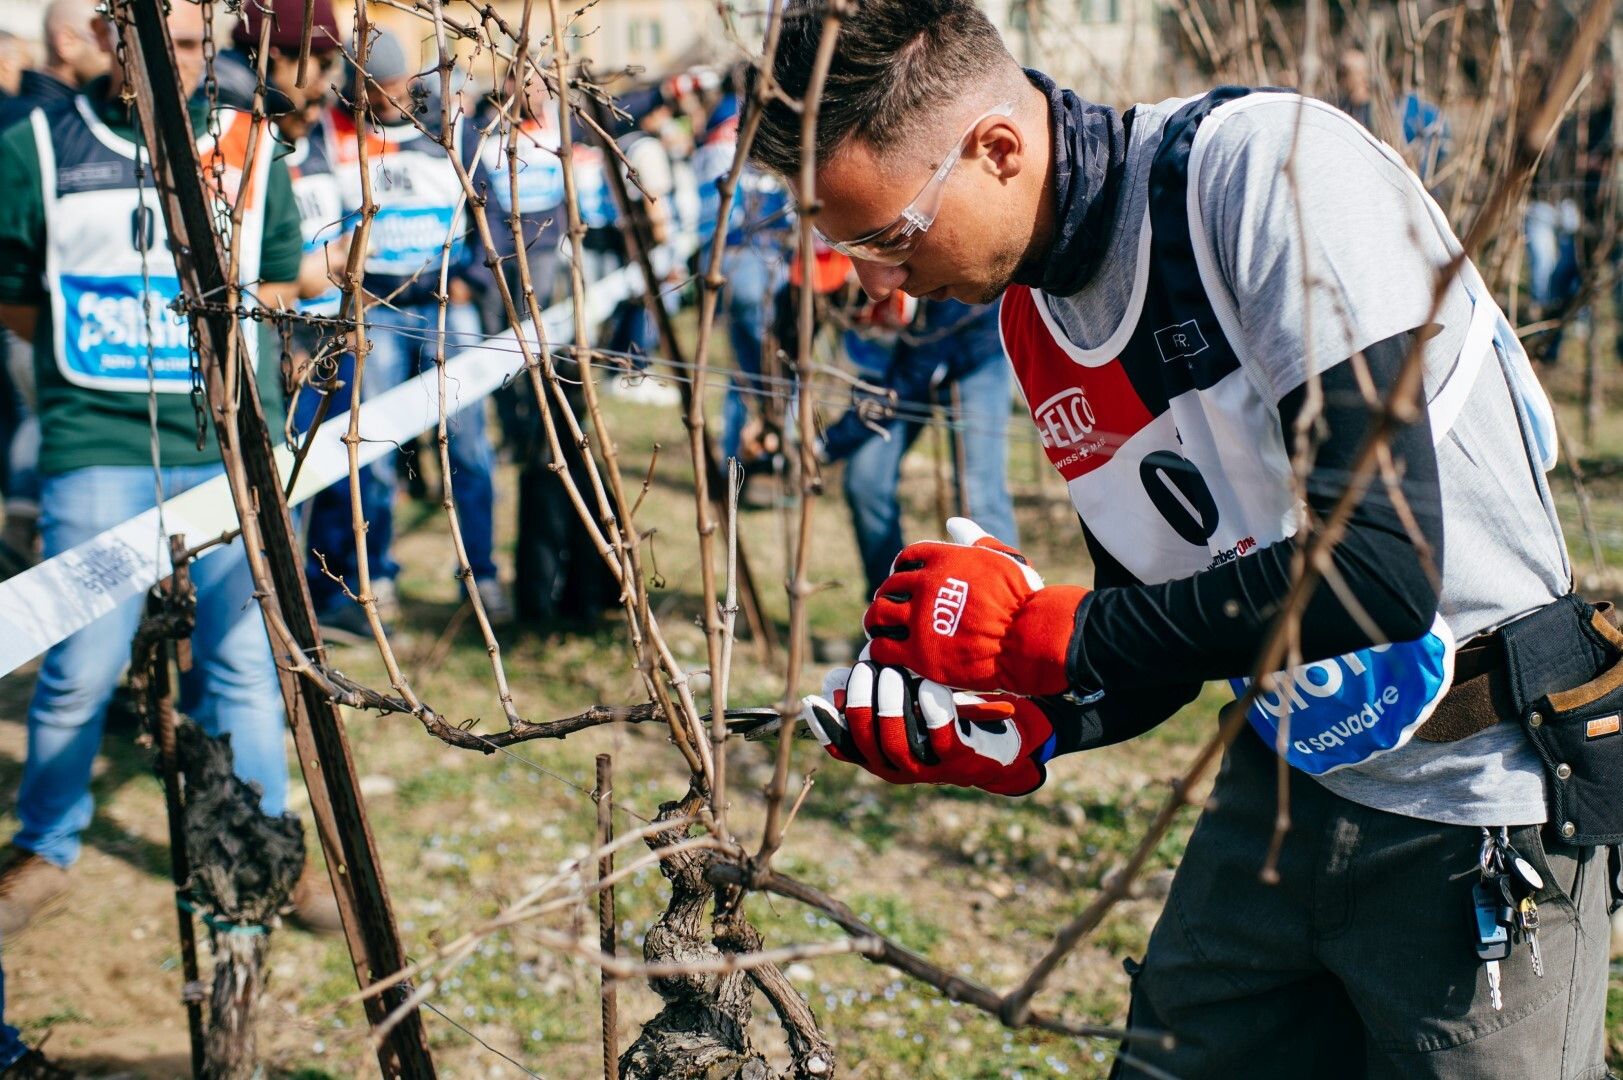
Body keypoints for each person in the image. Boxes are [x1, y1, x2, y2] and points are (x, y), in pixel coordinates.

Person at [757, 3, 1613, 1077]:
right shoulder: (1036, 318)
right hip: (1291, 777)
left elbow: (1382, 571)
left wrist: (1061, 639)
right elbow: (1168, 619)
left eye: (886, 236)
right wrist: (1025, 724)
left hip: (1478, 794)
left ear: (998, 150)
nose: (878, 281)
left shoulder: (1265, 177)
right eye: (846, 247)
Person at [0, 0, 306, 933]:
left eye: (192, 44)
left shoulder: (253, 145)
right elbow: (17, 298)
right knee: (79, 666)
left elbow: (285, 274)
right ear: (106, 35)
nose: (182, 63)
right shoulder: (35, 149)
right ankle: (46, 842)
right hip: (97, 447)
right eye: (160, 41)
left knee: (245, 664)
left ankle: (262, 850)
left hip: (227, 452)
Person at [307, 27, 514, 637]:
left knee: (469, 446)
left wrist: (478, 277)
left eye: (395, 88)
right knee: (371, 447)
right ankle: (378, 576)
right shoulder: (336, 135)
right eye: (374, 89)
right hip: (377, 310)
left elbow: (491, 212)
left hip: (450, 306)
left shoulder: (447, 131)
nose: (387, 101)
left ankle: (480, 573)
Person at [0, 0, 110, 576]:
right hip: (48, 311)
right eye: (98, 36)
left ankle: (23, 530)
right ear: (67, 42)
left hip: (34, 312)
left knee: (27, 418)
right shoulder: (52, 125)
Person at [820, 298, 1019, 596]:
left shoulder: (935, 285)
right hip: (895, 362)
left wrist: (825, 444)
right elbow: (796, 309)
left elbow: (912, 375)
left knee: (978, 495)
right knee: (866, 481)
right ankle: (896, 610)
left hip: (971, 350)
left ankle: (1004, 611)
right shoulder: (827, 263)